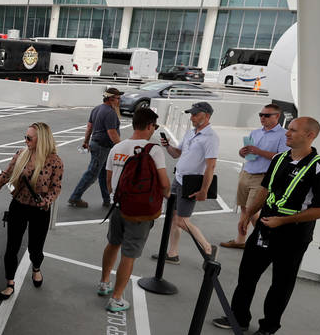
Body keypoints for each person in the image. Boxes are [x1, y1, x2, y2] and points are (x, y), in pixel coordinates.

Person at [213, 117, 320, 335]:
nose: (287, 134)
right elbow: (266, 190)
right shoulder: (279, 159)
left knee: (281, 283)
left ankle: (268, 326)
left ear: (310, 136)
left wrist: (284, 221)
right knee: (247, 275)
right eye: (288, 129)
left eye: (293, 130)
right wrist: (248, 213)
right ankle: (238, 317)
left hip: (293, 236)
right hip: (264, 229)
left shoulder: (319, 168)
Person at [0, 122, 63, 300]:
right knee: (11, 248)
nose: (25, 141)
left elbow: (55, 189)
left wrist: (45, 201)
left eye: (29, 138)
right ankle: (10, 283)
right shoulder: (21, 155)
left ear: (41, 140)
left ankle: (36, 268)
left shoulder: (55, 162)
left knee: (35, 249)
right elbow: (6, 175)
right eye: (25, 137)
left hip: (40, 210)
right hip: (18, 206)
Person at [98, 108, 170, 312]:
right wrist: (165, 196)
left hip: (118, 206)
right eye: (154, 126)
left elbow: (109, 181)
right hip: (140, 212)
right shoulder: (154, 150)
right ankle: (117, 298)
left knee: (112, 244)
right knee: (129, 255)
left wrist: (116, 195)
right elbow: (164, 183)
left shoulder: (117, 148)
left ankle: (104, 282)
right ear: (149, 126)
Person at [155, 101, 218, 264]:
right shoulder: (191, 133)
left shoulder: (211, 138)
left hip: (191, 183)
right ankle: (172, 253)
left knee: (182, 221)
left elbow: (211, 166)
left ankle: (208, 247)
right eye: (191, 114)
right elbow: (176, 154)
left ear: (207, 116)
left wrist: (204, 190)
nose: (192, 117)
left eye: (195, 114)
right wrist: (168, 146)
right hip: (178, 178)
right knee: (174, 217)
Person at [221, 103, 289, 248]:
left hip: (262, 177)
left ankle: (265, 240)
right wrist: (243, 152)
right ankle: (240, 240)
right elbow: (246, 154)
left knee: (253, 211)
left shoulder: (283, 135)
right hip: (247, 172)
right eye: (261, 115)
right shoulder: (255, 132)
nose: (262, 118)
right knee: (244, 208)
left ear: (277, 116)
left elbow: (282, 158)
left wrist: (258, 151)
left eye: (266, 115)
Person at [68, 88, 123, 208]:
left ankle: (107, 199)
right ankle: (75, 197)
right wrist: (122, 147)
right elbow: (112, 133)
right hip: (102, 147)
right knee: (92, 174)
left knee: (104, 173)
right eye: (118, 98)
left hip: (97, 145)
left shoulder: (97, 109)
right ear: (111, 98)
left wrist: (86, 141)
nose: (119, 101)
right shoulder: (110, 113)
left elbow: (89, 127)